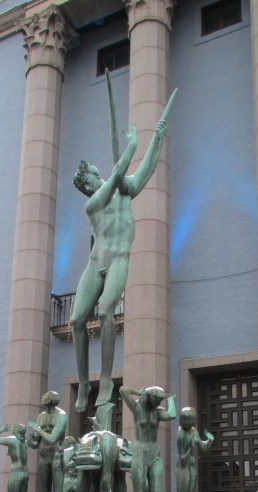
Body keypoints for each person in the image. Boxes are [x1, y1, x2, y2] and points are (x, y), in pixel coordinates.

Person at [72, 106, 172, 412]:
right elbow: (118, 174)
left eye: (89, 179)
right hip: (95, 262)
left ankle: (105, 380)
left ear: (96, 175)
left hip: (118, 259)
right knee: (76, 320)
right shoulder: (93, 204)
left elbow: (145, 171)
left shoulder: (124, 191)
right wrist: (132, 145)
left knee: (106, 312)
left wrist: (156, 139)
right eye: (84, 186)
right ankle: (84, 383)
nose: (88, 186)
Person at [28, 391, 70, 492]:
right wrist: (31, 439)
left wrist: (37, 430)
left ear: (51, 400)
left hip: (57, 455)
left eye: (44, 397)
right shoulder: (41, 416)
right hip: (43, 456)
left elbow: (52, 438)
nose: (41, 398)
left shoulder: (62, 415)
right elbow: (36, 443)